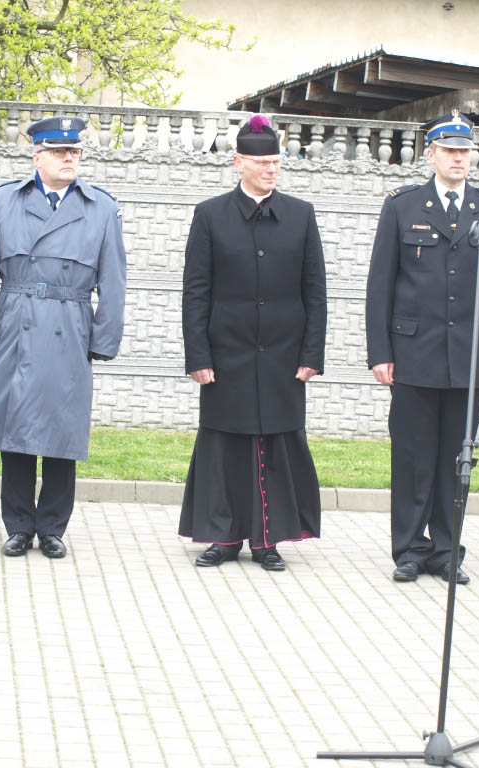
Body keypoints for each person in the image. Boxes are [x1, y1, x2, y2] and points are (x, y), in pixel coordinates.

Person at [366, 110, 479, 585]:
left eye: (465, 151)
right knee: (412, 456)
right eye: (449, 150)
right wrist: (380, 352)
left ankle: (448, 551)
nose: (458, 158)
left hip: (471, 357)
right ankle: (411, 550)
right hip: (414, 353)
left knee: (458, 457)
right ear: (430, 154)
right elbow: (380, 284)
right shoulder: (403, 206)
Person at [0, 116, 126, 559]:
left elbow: (114, 280)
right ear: (36, 156)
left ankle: (53, 527)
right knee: (15, 430)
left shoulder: (101, 208)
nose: (68, 158)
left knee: (63, 428)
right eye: (59, 152)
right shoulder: (5, 201)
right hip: (17, 321)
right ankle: (18, 526)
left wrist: (104, 337)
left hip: (69, 324)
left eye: (74, 151)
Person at [179, 114, 327, 572]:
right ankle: (223, 537)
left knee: (277, 446)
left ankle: (267, 541)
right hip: (227, 355)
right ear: (238, 162)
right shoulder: (210, 215)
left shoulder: (301, 215)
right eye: (262, 163)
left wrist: (311, 355)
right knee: (224, 446)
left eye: (276, 162)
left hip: (284, 356)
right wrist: (198, 355)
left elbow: (315, 292)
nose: (271, 170)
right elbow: (195, 291)